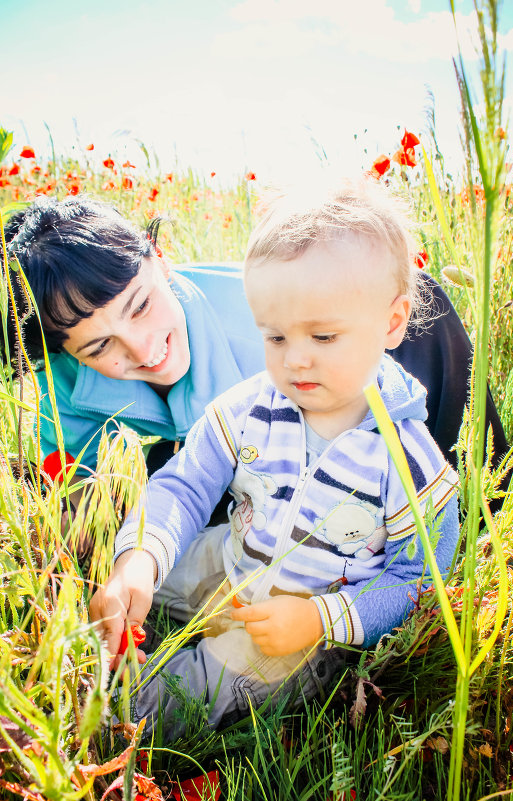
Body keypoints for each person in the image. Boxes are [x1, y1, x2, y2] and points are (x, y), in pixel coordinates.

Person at [88, 178, 461, 737]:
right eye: (276, 337)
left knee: (174, 699)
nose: (296, 361)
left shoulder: (408, 459)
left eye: (324, 337)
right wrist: (139, 559)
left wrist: (319, 620)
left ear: (391, 322)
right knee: (122, 581)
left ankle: (100, 723)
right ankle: (86, 634)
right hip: (232, 560)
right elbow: (186, 484)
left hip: (304, 628)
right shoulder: (251, 405)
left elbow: (416, 577)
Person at [2, 195, 507, 483]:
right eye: (99, 347)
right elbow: (71, 484)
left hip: (355, 385)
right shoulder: (58, 389)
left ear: (160, 259)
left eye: (142, 306)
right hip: (218, 468)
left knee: (422, 300)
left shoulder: (265, 318)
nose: (142, 349)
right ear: (62, 351)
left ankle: (487, 501)